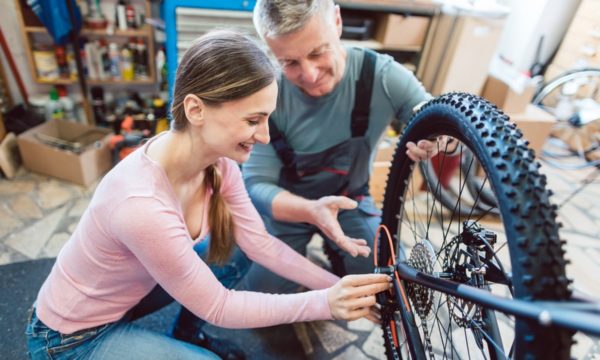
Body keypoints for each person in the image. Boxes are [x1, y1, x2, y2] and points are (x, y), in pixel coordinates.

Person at [25, 30, 392, 360]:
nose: (264, 136)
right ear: (196, 109)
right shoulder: (140, 205)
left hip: (125, 298)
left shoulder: (219, 165)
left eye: (267, 119)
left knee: (234, 249)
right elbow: (220, 307)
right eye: (253, 120)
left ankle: (186, 335)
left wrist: (344, 290)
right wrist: (326, 303)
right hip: (70, 338)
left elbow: (260, 245)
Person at [239, 0, 442, 293]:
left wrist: (438, 140)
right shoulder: (269, 95)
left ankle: (339, 251)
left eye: (317, 52)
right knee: (262, 295)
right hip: (290, 209)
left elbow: (437, 118)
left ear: (336, 21)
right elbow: (257, 185)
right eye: (290, 62)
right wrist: (312, 211)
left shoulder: (383, 77)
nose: (308, 75)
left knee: (383, 280)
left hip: (350, 201)